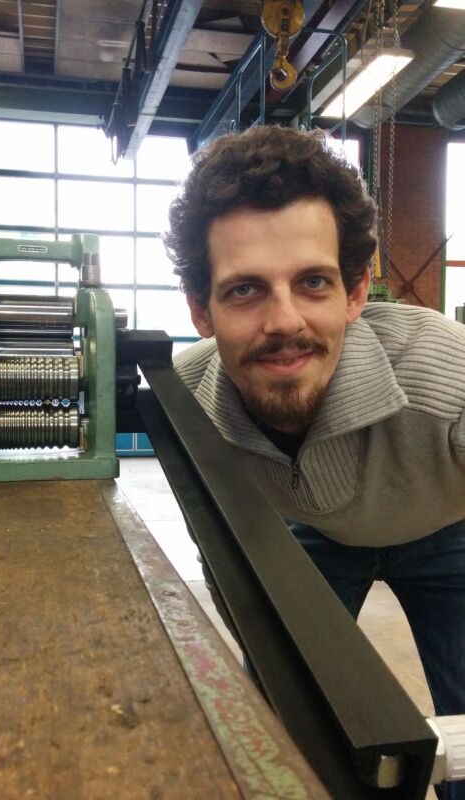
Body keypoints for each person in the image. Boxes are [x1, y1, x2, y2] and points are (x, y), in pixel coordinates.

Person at [165, 124, 465, 800]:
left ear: (355, 293)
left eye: (312, 282)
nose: (284, 321)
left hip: (449, 532)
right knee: (280, 719)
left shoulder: (449, 381)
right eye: (245, 290)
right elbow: (223, 554)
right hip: (318, 535)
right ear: (201, 310)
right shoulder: (185, 401)